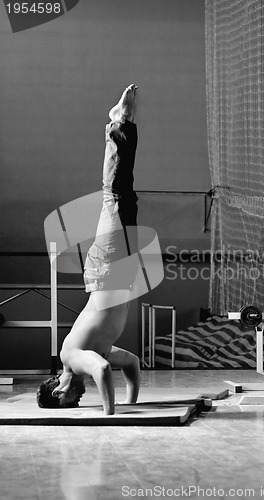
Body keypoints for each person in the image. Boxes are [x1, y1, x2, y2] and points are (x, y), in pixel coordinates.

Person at [37, 84, 140, 415]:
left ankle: (118, 123)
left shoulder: (73, 358)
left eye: (68, 401)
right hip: (118, 274)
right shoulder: (97, 352)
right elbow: (131, 364)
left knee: (116, 194)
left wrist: (111, 415)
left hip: (105, 271)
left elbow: (103, 371)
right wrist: (129, 402)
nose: (76, 401)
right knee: (127, 198)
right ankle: (122, 123)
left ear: (58, 389)